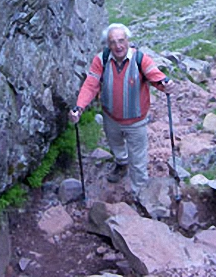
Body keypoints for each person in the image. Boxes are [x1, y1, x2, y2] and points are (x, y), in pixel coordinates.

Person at [69, 23, 177, 197]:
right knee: (116, 145)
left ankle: (140, 192)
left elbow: (156, 77)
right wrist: (79, 107)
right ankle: (121, 162)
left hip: (136, 121)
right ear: (107, 44)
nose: (118, 46)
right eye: (113, 42)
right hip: (111, 117)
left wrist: (166, 85)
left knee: (138, 160)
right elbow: (91, 84)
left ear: (128, 40)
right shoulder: (101, 59)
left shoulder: (141, 59)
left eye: (121, 40)